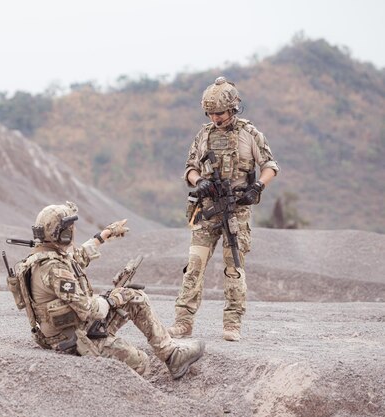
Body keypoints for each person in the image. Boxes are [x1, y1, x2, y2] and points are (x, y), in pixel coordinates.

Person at [16, 201, 204, 379]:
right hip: (74, 340)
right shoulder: (53, 268)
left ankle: (172, 354)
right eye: (69, 229)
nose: (72, 233)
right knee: (141, 362)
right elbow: (89, 309)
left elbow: (78, 258)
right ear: (60, 233)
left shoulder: (49, 256)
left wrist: (104, 235)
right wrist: (111, 299)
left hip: (78, 327)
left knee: (135, 298)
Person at [169, 76, 280, 342]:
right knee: (194, 266)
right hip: (207, 209)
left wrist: (257, 188)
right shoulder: (204, 135)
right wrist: (200, 182)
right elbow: (189, 168)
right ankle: (183, 322)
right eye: (211, 113)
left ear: (232, 108)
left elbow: (270, 166)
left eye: (219, 113)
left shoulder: (249, 134)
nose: (215, 118)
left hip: (237, 211)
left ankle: (232, 323)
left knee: (234, 268)